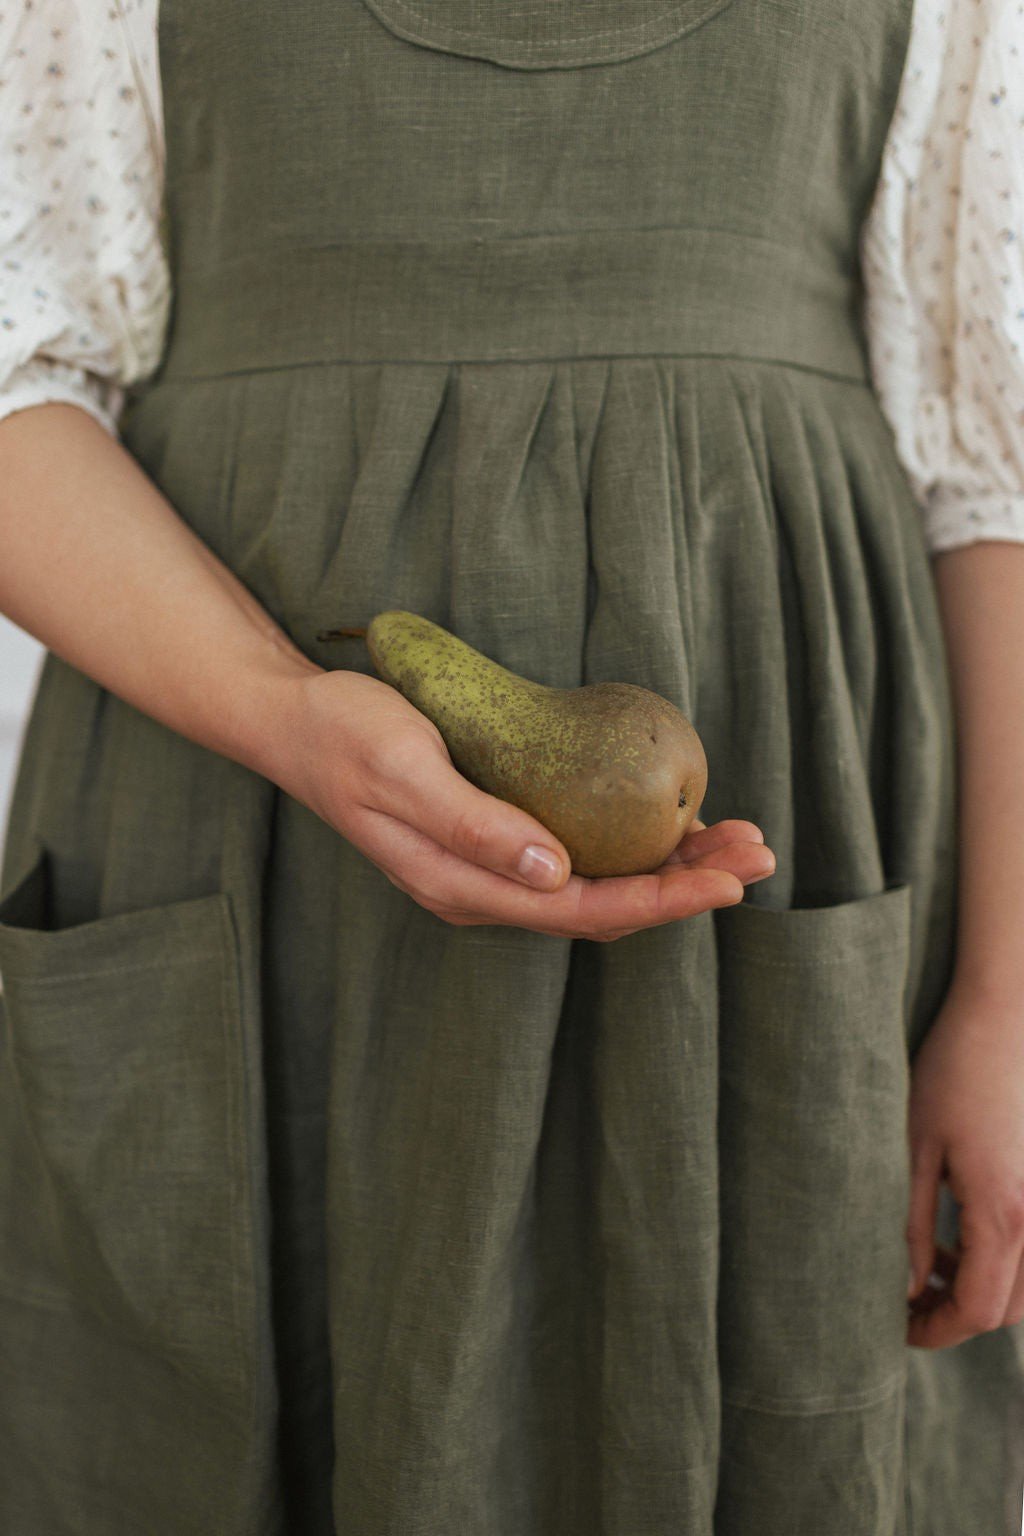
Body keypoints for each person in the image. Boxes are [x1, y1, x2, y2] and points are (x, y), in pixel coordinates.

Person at [0, 0, 1021, 1531]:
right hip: (238, 845)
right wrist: (285, 709)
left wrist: (1006, 998)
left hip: (794, 876)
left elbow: (990, 479)